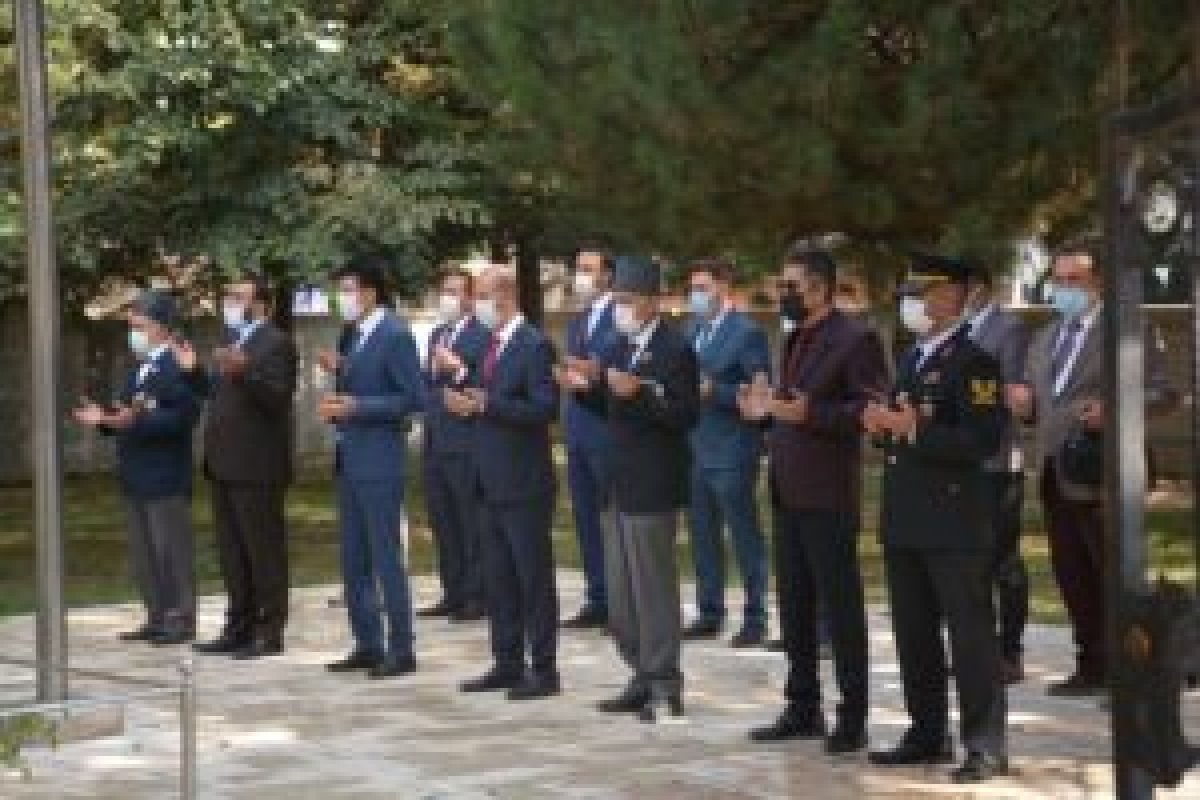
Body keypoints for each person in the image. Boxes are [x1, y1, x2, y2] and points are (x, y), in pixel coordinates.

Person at [1007, 236, 1175, 695]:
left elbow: (1163, 393)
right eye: (1058, 280)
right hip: (1056, 474)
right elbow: (1039, 405)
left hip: (1107, 474)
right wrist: (1023, 403)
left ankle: (1134, 673)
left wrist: (1113, 408)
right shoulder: (1044, 338)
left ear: (1098, 282)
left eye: (1074, 280)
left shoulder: (1129, 330)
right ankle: (1092, 666)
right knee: (1073, 576)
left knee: (1116, 577)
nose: (1064, 289)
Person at [864, 254, 1008, 783]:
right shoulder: (912, 357)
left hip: (952, 521)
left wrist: (913, 431)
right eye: (908, 292)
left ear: (952, 296)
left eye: (920, 292)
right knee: (914, 634)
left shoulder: (975, 363)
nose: (910, 302)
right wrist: (882, 427)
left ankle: (985, 745)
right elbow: (902, 428)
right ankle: (926, 732)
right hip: (906, 516)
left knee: (969, 638)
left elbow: (981, 440)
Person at [746, 248, 888, 755]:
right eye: (781, 285)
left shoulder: (855, 339)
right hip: (787, 489)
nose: (783, 295)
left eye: (793, 286)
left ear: (822, 288)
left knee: (840, 607)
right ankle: (803, 706)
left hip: (827, 492)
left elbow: (868, 411)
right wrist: (765, 412)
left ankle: (853, 716)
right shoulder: (793, 338)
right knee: (795, 606)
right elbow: (791, 408)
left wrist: (810, 414)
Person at [564, 255, 700, 723]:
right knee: (621, 597)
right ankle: (640, 672)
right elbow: (609, 406)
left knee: (653, 589)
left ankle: (664, 684)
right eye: (617, 298)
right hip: (616, 482)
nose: (620, 308)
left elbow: (684, 414)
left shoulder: (674, 349)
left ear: (651, 302)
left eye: (628, 300)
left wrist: (638, 393)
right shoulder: (616, 345)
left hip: (652, 483)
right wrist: (583, 387)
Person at [449, 265, 562, 700]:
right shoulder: (489, 343)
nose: (476, 304)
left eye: (482, 295)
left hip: (523, 482)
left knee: (532, 579)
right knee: (498, 579)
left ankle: (544, 669)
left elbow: (544, 409)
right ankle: (507, 662)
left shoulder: (534, 345)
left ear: (505, 296)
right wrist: (465, 398)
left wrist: (488, 405)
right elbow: (484, 395)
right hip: (488, 480)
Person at [319, 256, 425, 679]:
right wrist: (341, 373)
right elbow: (363, 380)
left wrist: (358, 407)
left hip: (380, 460)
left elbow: (413, 398)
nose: (341, 298)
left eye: (347, 290)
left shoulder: (395, 335)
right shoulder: (353, 334)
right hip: (350, 458)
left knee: (385, 557)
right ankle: (367, 642)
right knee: (353, 558)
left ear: (369, 292)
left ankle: (401, 648)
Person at [73, 291, 201, 646]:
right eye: (132, 326)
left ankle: (180, 619)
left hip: (165, 475)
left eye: (139, 325)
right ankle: (156, 616)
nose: (134, 333)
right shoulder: (139, 368)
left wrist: (135, 421)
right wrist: (104, 418)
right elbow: (126, 413)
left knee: (170, 551)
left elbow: (183, 417)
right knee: (145, 554)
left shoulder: (178, 365)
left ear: (161, 326)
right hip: (135, 474)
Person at [185, 273, 298, 660]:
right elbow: (217, 394)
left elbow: (278, 397)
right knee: (232, 553)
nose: (231, 302)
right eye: (229, 296)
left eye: (240, 296)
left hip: (257, 465)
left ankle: (269, 630)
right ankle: (238, 626)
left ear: (261, 303)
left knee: (263, 552)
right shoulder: (232, 340)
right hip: (224, 463)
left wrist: (244, 372)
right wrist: (193, 372)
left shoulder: (277, 342)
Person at [681, 258, 772, 647]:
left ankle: (756, 616)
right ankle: (709, 611)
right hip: (695, 448)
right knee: (703, 535)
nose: (696, 296)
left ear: (723, 287)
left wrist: (714, 391)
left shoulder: (747, 333)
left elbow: (758, 392)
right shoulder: (692, 329)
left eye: (702, 288)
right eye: (693, 289)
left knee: (743, 534)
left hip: (733, 449)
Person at [962, 266, 1032, 684]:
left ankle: (1010, 651)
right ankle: (978, 648)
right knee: (970, 562)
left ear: (979, 288)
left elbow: (1014, 391)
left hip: (998, 460)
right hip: (961, 464)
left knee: (1003, 558)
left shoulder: (1009, 330)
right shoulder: (954, 331)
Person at [418, 267, 491, 621]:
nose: (447, 298)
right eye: (444, 291)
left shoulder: (482, 334)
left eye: (455, 291)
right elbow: (428, 383)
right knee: (443, 520)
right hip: (435, 440)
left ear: (471, 297)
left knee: (469, 520)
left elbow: (484, 381)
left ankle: (477, 595)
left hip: (466, 441)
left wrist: (459, 369)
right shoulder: (437, 334)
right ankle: (453, 591)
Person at [558, 244, 621, 629]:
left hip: (606, 430)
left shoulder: (620, 316)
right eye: (577, 267)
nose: (579, 275)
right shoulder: (578, 321)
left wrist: (592, 375)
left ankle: (620, 601)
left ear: (607, 275)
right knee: (585, 518)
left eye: (587, 268)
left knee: (613, 520)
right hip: (578, 432)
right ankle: (597, 596)